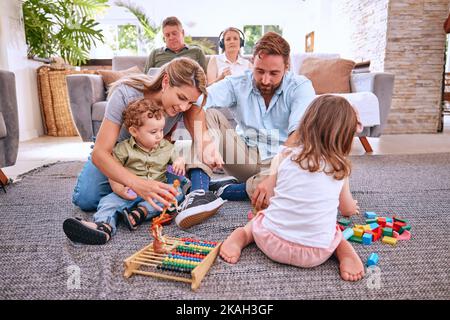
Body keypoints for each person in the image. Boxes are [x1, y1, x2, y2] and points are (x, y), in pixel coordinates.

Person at [175, 32, 316, 228]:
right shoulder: (238, 83)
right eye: (260, 71)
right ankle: (198, 193)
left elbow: (298, 135)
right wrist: (206, 142)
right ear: (252, 63)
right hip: (244, 156)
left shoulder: (300, 86)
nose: (265, 80)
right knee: (207, 115)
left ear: (287, 67)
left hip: (279, 162)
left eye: (274, 73)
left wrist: (272, 176)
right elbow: (196, 103)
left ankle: (227, 190)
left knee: (308, 185)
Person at [219, 95, 366, 282]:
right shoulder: (340, 168)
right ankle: (347, 255)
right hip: (315, 254)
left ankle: (242, 235)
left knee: (259, 218)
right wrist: (353, 206)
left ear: (306, 124)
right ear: (346, 136)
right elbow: (346, 210)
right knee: (335, 233)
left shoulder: (286, 155)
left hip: (271, 242)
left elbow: (270, 196)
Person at [71, 57, 225, 231]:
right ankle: (124, 197)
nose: (183, 107)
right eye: (181, 98)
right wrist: (136, 183)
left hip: (152, 155)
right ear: (166, 81)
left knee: (176, 189)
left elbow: (200, 130)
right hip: (119, 152)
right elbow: (101, 153)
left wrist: (208, 147)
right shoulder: (126, 93)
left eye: (189, 102)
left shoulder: (186, 104)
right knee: (86, 198)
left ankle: (138, 204)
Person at [63, 100, 187, 244]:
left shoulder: (167, 147)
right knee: (108, 202)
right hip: (130, 191)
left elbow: (178, 156)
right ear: (134, 131)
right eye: (153, 132)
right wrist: (119, 189)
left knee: (176, 193)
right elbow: (113, 170)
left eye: (161, 130)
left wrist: (179, 161)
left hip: (155, 192)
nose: (160, 136)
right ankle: (103, 226)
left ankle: (141, 213)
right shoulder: (123, 149)